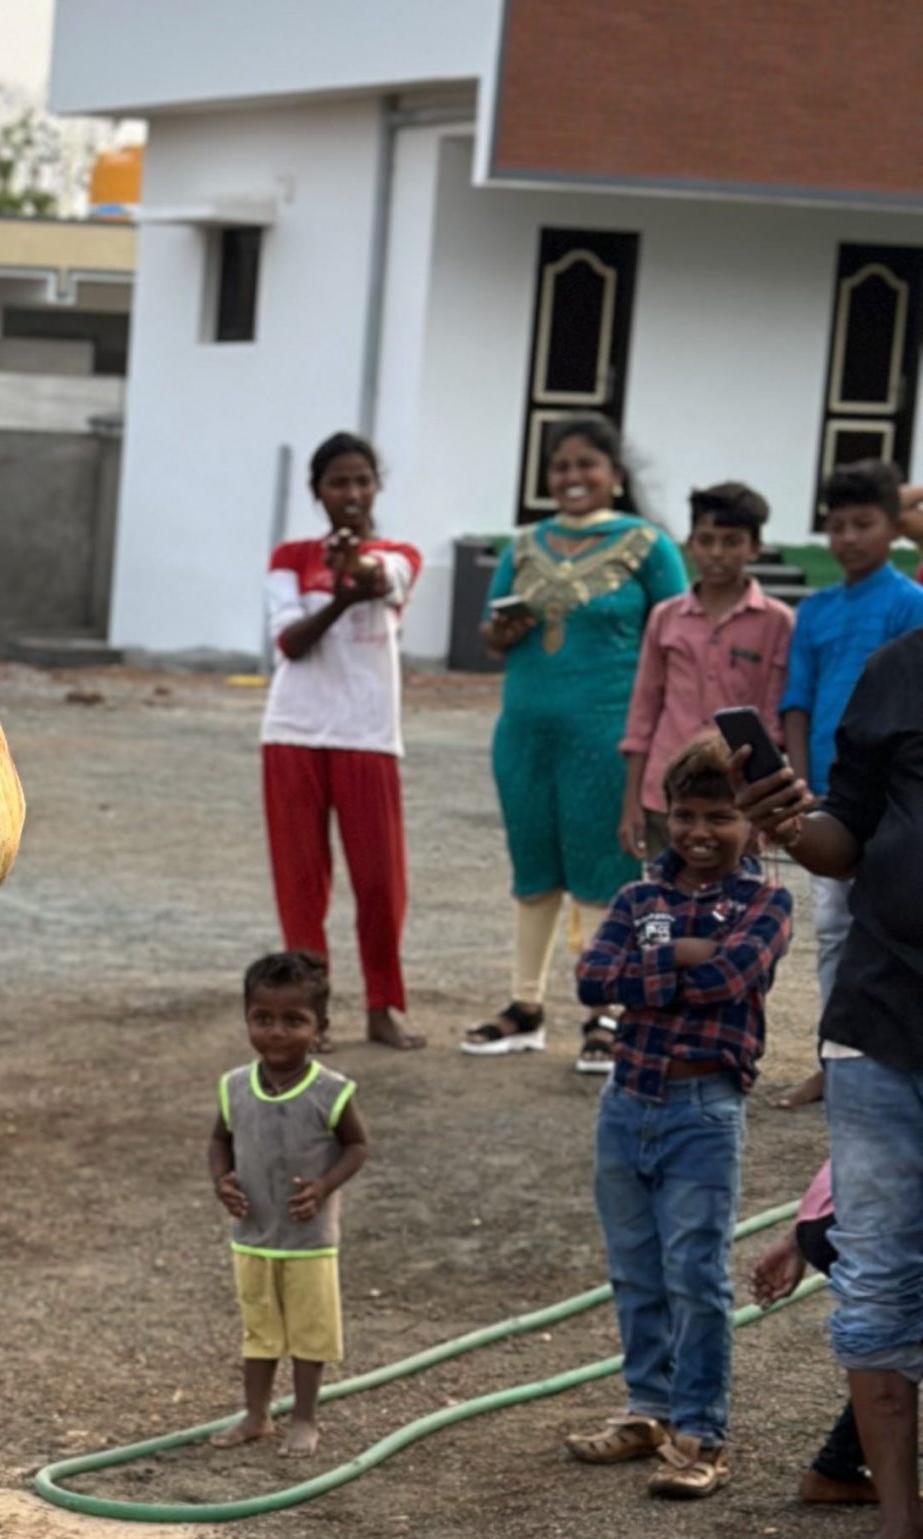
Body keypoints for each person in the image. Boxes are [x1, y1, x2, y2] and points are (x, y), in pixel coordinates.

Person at [736, 629, 923, 1539]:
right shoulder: (896, 667)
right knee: (876, 1281)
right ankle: (899, 1527)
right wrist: (787, 823)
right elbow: (843, 841)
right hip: (881, 1023)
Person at [566, 738, 791, 1500]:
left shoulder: (767, 901)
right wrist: (684, 957)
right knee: (634, 1267)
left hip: (705, 1108)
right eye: (686, 814)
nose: (700, 831)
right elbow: (592, 980)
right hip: (626, 1101)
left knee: (696, 1273)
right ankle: (647, 1409)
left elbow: (733, 977)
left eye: (720, 816)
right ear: (667, 816)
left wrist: (654, 974)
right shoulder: (636, 899)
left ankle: (702, 1430)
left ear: (752, 825)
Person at [467, 414, 689, 1071]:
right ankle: (525, 1006)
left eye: (587, 465)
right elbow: (488, 634)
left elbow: (676, 631)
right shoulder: (525, 543)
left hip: (609, 732)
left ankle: (608, 1011)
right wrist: (504, 632)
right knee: (533, 869)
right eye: (561, 466)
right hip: (525, 732)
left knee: (605, 871)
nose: (572, 477)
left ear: (615, 475)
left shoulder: (648, 545)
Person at [261, 431, 426, 1050]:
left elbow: (381, 580)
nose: (352, 493)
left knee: (381, 882)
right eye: (338, 483)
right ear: (318, 492)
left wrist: (352, 571)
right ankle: (310, 1012)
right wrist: (337, 598)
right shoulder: (290, 557)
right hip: (293, 732)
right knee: (301, 881)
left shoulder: (401, 554)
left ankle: (384, 1006)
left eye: (362, 481)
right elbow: (290, 643)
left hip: (368, 734)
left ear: (376, 486)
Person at [770, 458, 923, 1111]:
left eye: (864, 524)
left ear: (895, 530)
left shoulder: (909, 606)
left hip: (893, 796)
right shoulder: (816, 609)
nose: (849, 538)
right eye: (837, 526)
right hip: (830, 797)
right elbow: (797, 700)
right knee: (834, 930)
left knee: (884, 922)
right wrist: (800, 783)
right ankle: (834, 1057)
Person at [208, 950, 369, 1458]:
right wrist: (222, 1181)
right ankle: (257, 1416)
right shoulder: (236, 1087)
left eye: (293, 1021)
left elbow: (357, 1145)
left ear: (319, 1028)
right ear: (247, 1019)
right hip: (253, 1236)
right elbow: (219, 1140)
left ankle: (304, 1418)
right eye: (263, 1018)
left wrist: (324, 1186)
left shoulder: (331, 1092)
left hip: (308, 1241)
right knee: (258, 1334)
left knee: (309, 1336)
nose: (276, 1032)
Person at [618, 482, 792, 862]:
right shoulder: (665, 618)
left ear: (754, 547)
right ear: (690, 543)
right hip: (664, 795)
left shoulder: (777, 622)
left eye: (731, 541)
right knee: (665, 908)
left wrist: (763, 808)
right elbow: (643, 711)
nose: (717, 553)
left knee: (730, 910)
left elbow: (772, 724)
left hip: (735, 800)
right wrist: (631, 803)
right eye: (706, 540)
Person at [748, 1163, 880, 1507]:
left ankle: (837, 1468)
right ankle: (837, 1469)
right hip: (868, 1214)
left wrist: (799, 1234)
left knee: (897, 1342)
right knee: (897, 1343)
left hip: (830, 1211)